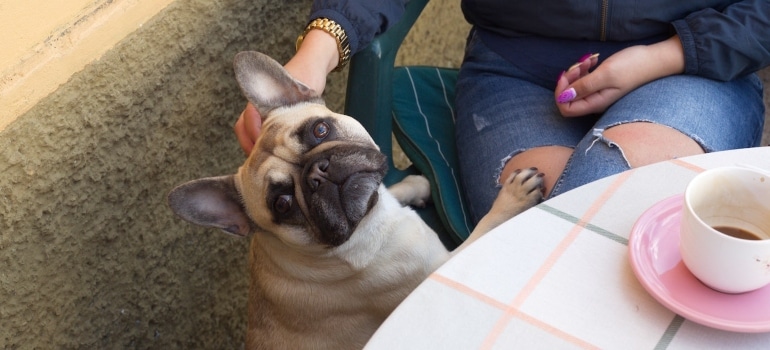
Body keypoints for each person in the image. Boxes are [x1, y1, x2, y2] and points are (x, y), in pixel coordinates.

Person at [235, 0, 770, 225]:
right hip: (515, 73)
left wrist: (661, 56)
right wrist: (318, 52)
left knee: (609, 204)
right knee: (548, 223)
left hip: (695, 66)